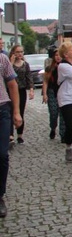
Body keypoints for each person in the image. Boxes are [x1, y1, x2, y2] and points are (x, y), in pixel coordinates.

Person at [0, 51, 22, 217]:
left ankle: (0, 195)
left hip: (2, 110)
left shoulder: (2, 58)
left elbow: (12, 84)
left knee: (2, 154)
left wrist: (16, 111)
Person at [9, 45, 33, 144]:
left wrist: (31, 89)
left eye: (21, 52)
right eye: (17, 52)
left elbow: (29, 77)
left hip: (21, 90)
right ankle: (10, 135)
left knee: (20, 112)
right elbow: (6, 73)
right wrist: (11, 62)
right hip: (10, 90)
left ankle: (20, 134)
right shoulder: (9, 64)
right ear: (13, 53)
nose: (19, 54)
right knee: (10, 112)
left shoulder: (25, 64)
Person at [42, 48, 65, 140]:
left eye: (59, 55)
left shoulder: (65, 66)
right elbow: (45, 81)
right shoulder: (50, 68)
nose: (58, 57)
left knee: (63, 114)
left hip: (63, 92)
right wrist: (44, 94)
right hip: (52, 91)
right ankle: (53, 127)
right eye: (56, 55)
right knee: (53, 112)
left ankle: (63, 134)